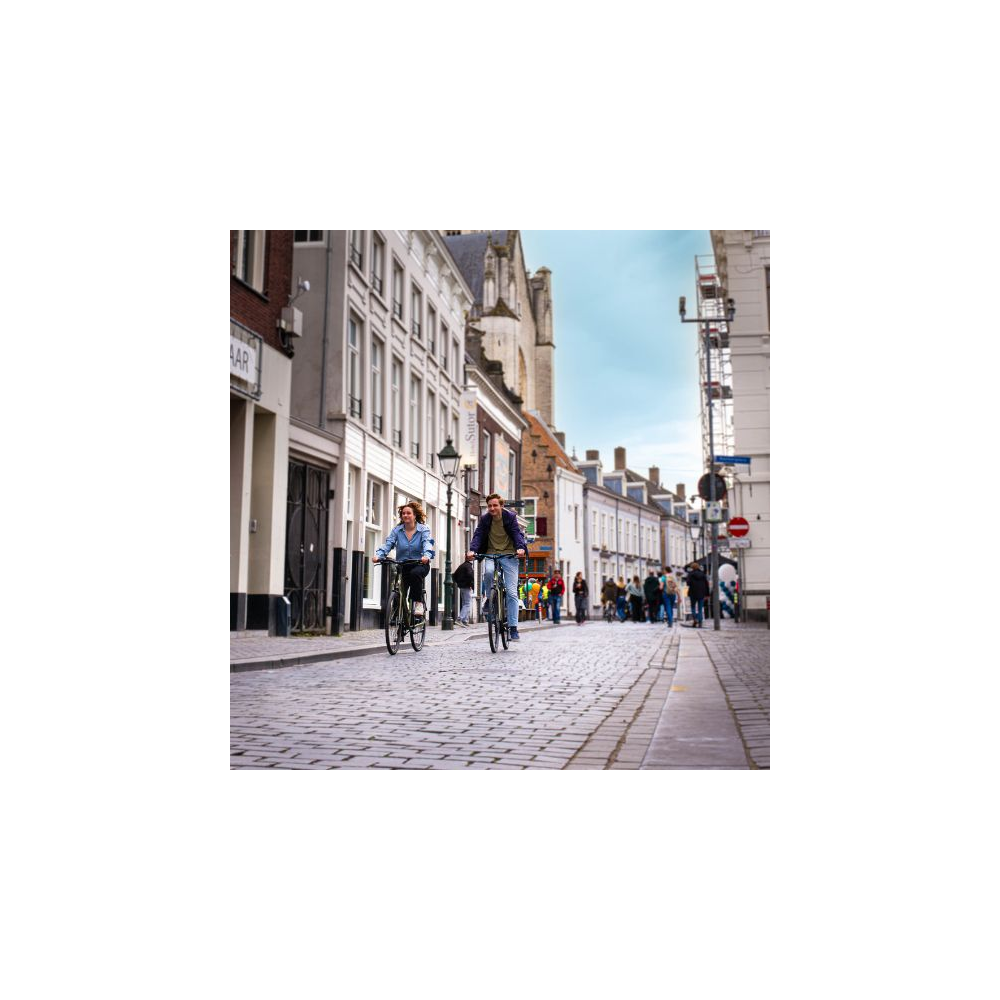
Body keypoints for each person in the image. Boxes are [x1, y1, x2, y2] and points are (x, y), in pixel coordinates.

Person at [466, 492, 527, 641]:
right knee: (487, 572)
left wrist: (520, 548)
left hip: (509, 555)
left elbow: (517, 534)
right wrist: (473, 549)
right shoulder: (485, 519)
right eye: (489, 506)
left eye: (495, 505)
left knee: (512, 593)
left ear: (501, 506)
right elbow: (478, 534)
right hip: (491, 553)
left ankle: (513, 628)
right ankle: (490, 598)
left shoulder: (510, 517)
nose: (492, 508)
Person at [373, 500, 434, 619]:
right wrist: (379, 555)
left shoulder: (423, 529)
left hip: (420, 564)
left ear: (415, 515)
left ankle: (418, 604)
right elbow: (388, 544)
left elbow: (427, 543)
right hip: (403, 564)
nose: (405, 515)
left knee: (415, 574)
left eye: (408, 513)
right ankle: (397, 616)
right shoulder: (397, 530)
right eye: (403, 513)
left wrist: (426, 555)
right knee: (399, 590)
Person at [684, 562, 710, 628]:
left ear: (692, 567)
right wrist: (707, 594)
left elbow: (688, 583)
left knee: (693, 607)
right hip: (701, 593)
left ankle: (695, 619)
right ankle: (700, 621)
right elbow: (706, 585)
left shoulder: (690, 574)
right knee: (700, 608)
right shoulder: (703, 574)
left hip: (693, 592)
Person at [452, 556, 475, 627]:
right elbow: (470, 575)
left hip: (461, 587)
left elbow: (454, 575)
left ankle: (464, 621)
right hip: (466, 587)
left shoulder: (462, 565)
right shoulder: (468, 566)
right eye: (473, 557)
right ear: (471, 559)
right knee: (467, 603)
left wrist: (459, 583)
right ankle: (459, 619)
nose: (474, 558)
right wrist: (471, 584)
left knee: (465, 603)